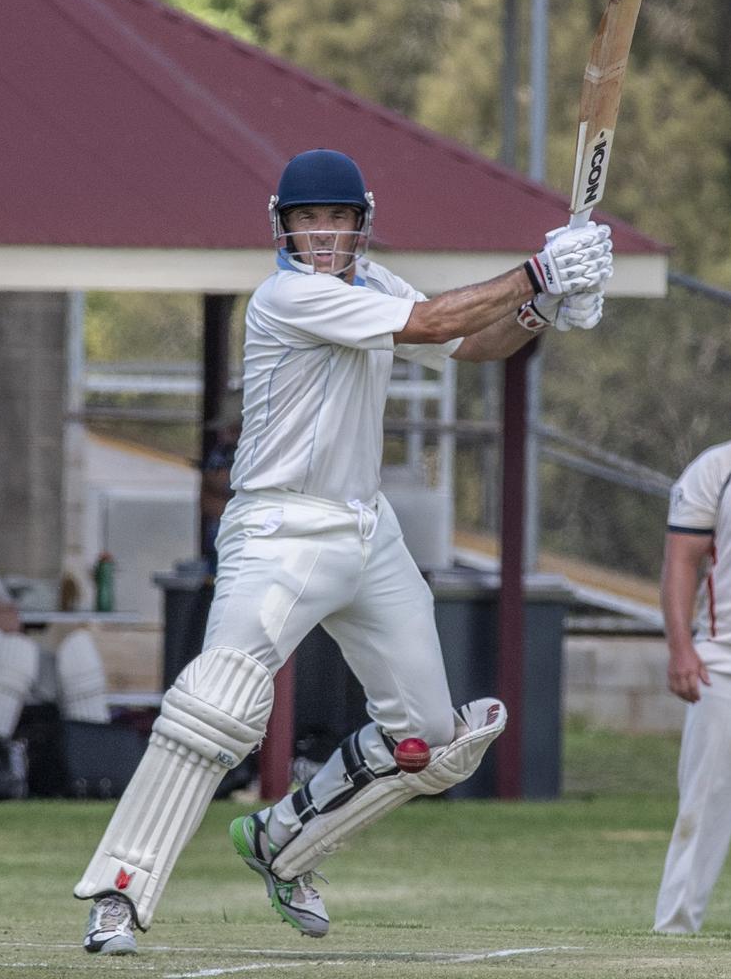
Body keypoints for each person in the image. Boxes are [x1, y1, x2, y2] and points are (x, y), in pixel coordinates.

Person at [75, 148, 612, 955]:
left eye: (337, 219)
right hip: (278, 531)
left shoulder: (376, 284)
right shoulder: (288, 297)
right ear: (283, 228)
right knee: (215, 707)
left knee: (430, 743)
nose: (323, 234)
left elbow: (468, 344)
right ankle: (118, 890)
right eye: (307, 220)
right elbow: (435, 322)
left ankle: (283, 843)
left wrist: (544, 310)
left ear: (361, 223)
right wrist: (539, 271)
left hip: (367, 529)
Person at [654, 434, 731, 934]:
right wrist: (680, 647)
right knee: (703, 805)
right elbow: (682, 560)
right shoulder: (720, 467)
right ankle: (675, 931)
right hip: (727, 661)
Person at [0, 562, 110, 798]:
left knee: (80, 649)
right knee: (16, 649)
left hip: (14, 667)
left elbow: (15, 614)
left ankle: (94, 770)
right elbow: (6, 618)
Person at [200, 391, 244, 573]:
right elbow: (206, 500)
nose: (226, 436)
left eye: (234, 430)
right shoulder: (222, 452)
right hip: (222, 546)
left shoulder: (263, 455)